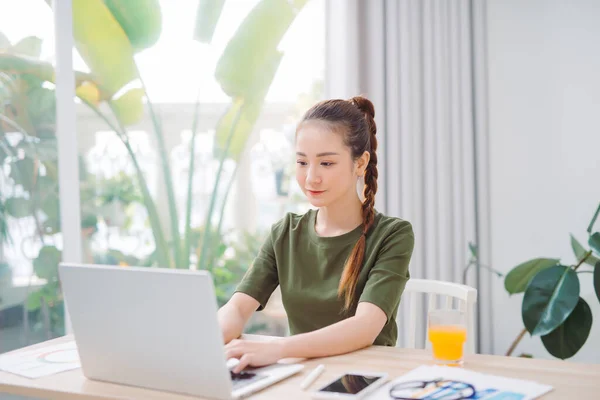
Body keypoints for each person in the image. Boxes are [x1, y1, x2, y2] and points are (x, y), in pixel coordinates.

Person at [218, 96, 415, 373]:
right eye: (302, 162)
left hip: (363, 379)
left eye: (326, 164)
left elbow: (364, 328)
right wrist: (208, 341)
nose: (311, 178)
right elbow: (238, 309)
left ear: (360, 164)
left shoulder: (392, 235)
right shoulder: (286, 233)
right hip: (299, 376)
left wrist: (277, 349)